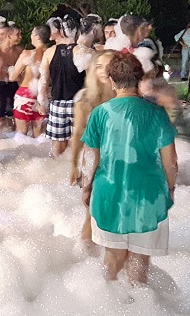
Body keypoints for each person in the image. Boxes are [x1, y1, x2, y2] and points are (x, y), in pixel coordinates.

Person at [81, 52, 178, 285]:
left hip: (109, 194)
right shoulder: (157, 114)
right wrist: (170, 188)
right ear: (139, 79)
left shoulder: (99, 113)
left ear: (112, 81)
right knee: (139, 262)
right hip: (148, 196)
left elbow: (90, 159)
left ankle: (107, 302)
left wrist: (86, 188)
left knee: (112, 259)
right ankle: (140, 302)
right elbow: (171, 162)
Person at [68, 51, 116, 246]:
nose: (104, 71)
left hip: (122, 161)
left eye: (109, 66)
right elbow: (78, 133)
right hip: (96, 163)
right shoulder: (85, 99)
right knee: (92, 212)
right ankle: (86, 251)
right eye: (99, 66)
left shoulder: (127, 96)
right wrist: (73, 164)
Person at [37, 17, 85, 157]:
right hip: (79, 104)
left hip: (57, 103)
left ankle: (57, 169)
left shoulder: (49, 52)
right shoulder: (83, 52)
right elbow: (92, 82)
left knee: (57, 147)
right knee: (79, 146)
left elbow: (44, 80)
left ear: (62, 31)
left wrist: (42, 103)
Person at [11, 25, 51, 138]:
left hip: (25, 96)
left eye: (32, 34)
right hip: (42, 97)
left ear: (38, 37)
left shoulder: (27, 54)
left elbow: (13, 77)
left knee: (21, 136)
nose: (31, 36)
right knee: (39, 137)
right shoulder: (51, 54)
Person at [0, 25, 23, 124]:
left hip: (13, 84)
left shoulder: (19, 51)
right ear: (9, 36)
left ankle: (14, 133)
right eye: (17, 35)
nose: (20, 37)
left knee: (14, 113)